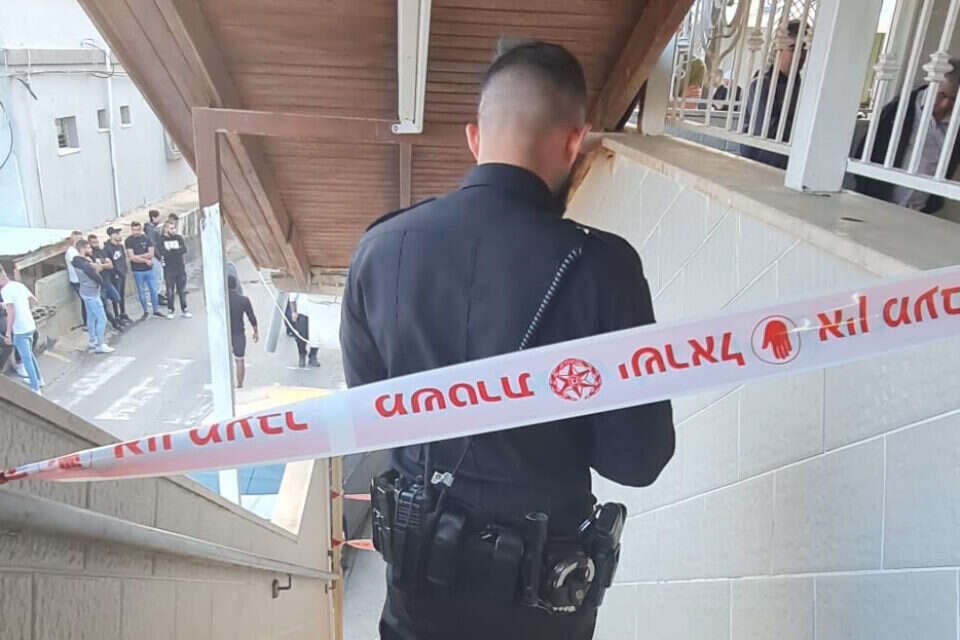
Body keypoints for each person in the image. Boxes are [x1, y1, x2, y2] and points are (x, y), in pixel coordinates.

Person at [340, 41, 675, 640]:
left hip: (418, 600)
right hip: (542, 610)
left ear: (475, 138)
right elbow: (638, 460)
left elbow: (372, 421)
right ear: (575, 141)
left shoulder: (380, 251)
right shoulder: (604, 269)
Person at [853, 59, 960, 213]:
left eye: (954, 99)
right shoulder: (899, 110)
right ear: (932, 84)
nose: (946, 105)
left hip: (920, 211)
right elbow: (865, 151)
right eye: (941, 95)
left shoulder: (956, 125)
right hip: (877, 204)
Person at [740, 20, 806, 169]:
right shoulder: (761, 85)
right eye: (793, 48)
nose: (800, 55)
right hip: (761, 168)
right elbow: (769, 133)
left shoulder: (804, 88)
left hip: (791, 167)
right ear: (777, 50)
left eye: (804, 49)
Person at [0, 265, 44, 394]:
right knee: (29, 354)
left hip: (20, 329)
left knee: (26, 359)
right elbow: (34, 300)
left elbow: (11, 313)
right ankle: (39, 379)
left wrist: (8, 333)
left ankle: (35, 387)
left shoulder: (5, 291)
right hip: (30, 325)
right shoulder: (18, 285)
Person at [72, 240, 114, 354]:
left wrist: (94, 264)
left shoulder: (77, 261)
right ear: (83, 249)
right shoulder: (86, 265)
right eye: (88, 248)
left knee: (91, 317)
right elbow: (97, 275)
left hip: (85, 292)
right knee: (102, 319)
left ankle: (92, 340)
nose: (90, 250)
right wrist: (97, 267)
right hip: (92, 294)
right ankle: (100, 345)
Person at [125, 221, 162, 320]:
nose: (135, 232)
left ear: (140, 229)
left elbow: (151, 254)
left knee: (153, 290)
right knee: (141, 291)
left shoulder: (146, 239)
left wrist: (138, 257)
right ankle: (145, 311)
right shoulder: (128, 241)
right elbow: (131, 257)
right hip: (137, 270)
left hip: (149, 270)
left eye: (137, 230)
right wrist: (145, 260)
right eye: (133, 230)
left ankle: (155, 310)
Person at [227, 275, 258, 388]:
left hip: (224, 333)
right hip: (238, 333)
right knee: (239, 359)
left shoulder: (222, 300)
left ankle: (225, 383)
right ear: (236, 285)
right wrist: (255, 331)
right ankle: (239, 385)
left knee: (223, 359)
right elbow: (252, 317)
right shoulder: (243, 300)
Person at [89, 234, 123, 331]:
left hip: (107, 281)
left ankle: (117, 317)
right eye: (93, 242)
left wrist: (101, 265)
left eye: (97, 242)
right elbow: (96, 268)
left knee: (117, 298)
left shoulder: (102, 252)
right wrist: (104, 264)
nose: (96, 244)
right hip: (99, 284)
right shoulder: (90, 255)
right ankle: (114, 323)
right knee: (104, 306)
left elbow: (110, 265)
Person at [159, 218, 190, 318]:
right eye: (171, 228)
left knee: (182, 290)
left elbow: (184, 249)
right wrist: (173, 251)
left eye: (174, 228)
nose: (174, 230)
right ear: (166, 229)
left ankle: (184, 309)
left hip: (180, 267)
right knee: (170, 290)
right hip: (169, 269)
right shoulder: (161, 240)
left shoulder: (178, 238)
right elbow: (163, 252)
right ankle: (170, 310)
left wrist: (174, 250)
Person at [104, 227, 131, 324]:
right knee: (115, 296)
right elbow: (109, 263)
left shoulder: (120, 246)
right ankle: (117, 315)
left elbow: (123, 259)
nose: (119, 235)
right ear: (112, 235)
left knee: (122, 295)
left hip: (122, 274)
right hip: (115, 276)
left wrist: (124, 270)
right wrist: (115, 273)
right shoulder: (107, 248)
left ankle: (123, 313)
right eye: (117, 234)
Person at [289, 292, 319, 368]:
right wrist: (293, 312)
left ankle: (313, 355)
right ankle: (302, 355)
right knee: (301, 335)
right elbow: (292, 297)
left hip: (317, 312)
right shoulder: (299, 284)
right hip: (302, 312)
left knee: (316, 336)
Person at [64, 230, 87, 327]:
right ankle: (86, 323)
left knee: (86, 302)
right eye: (78, 239)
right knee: (85, 301)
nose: (80, 241)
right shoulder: (71, 252)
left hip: (81, 279)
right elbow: (79, 264)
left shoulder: (76, 250)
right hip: (77, 281)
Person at [144, 209, 165, 297]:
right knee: (157, 277)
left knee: (157, 277)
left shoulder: (150, 229)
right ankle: (155, 296)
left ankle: (156, 296)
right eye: (158, 217)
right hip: (154, 256)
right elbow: (152, 244)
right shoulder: (150, 230)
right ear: (153, 218)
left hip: (154, 255)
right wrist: (159, 256)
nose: (159, 220)